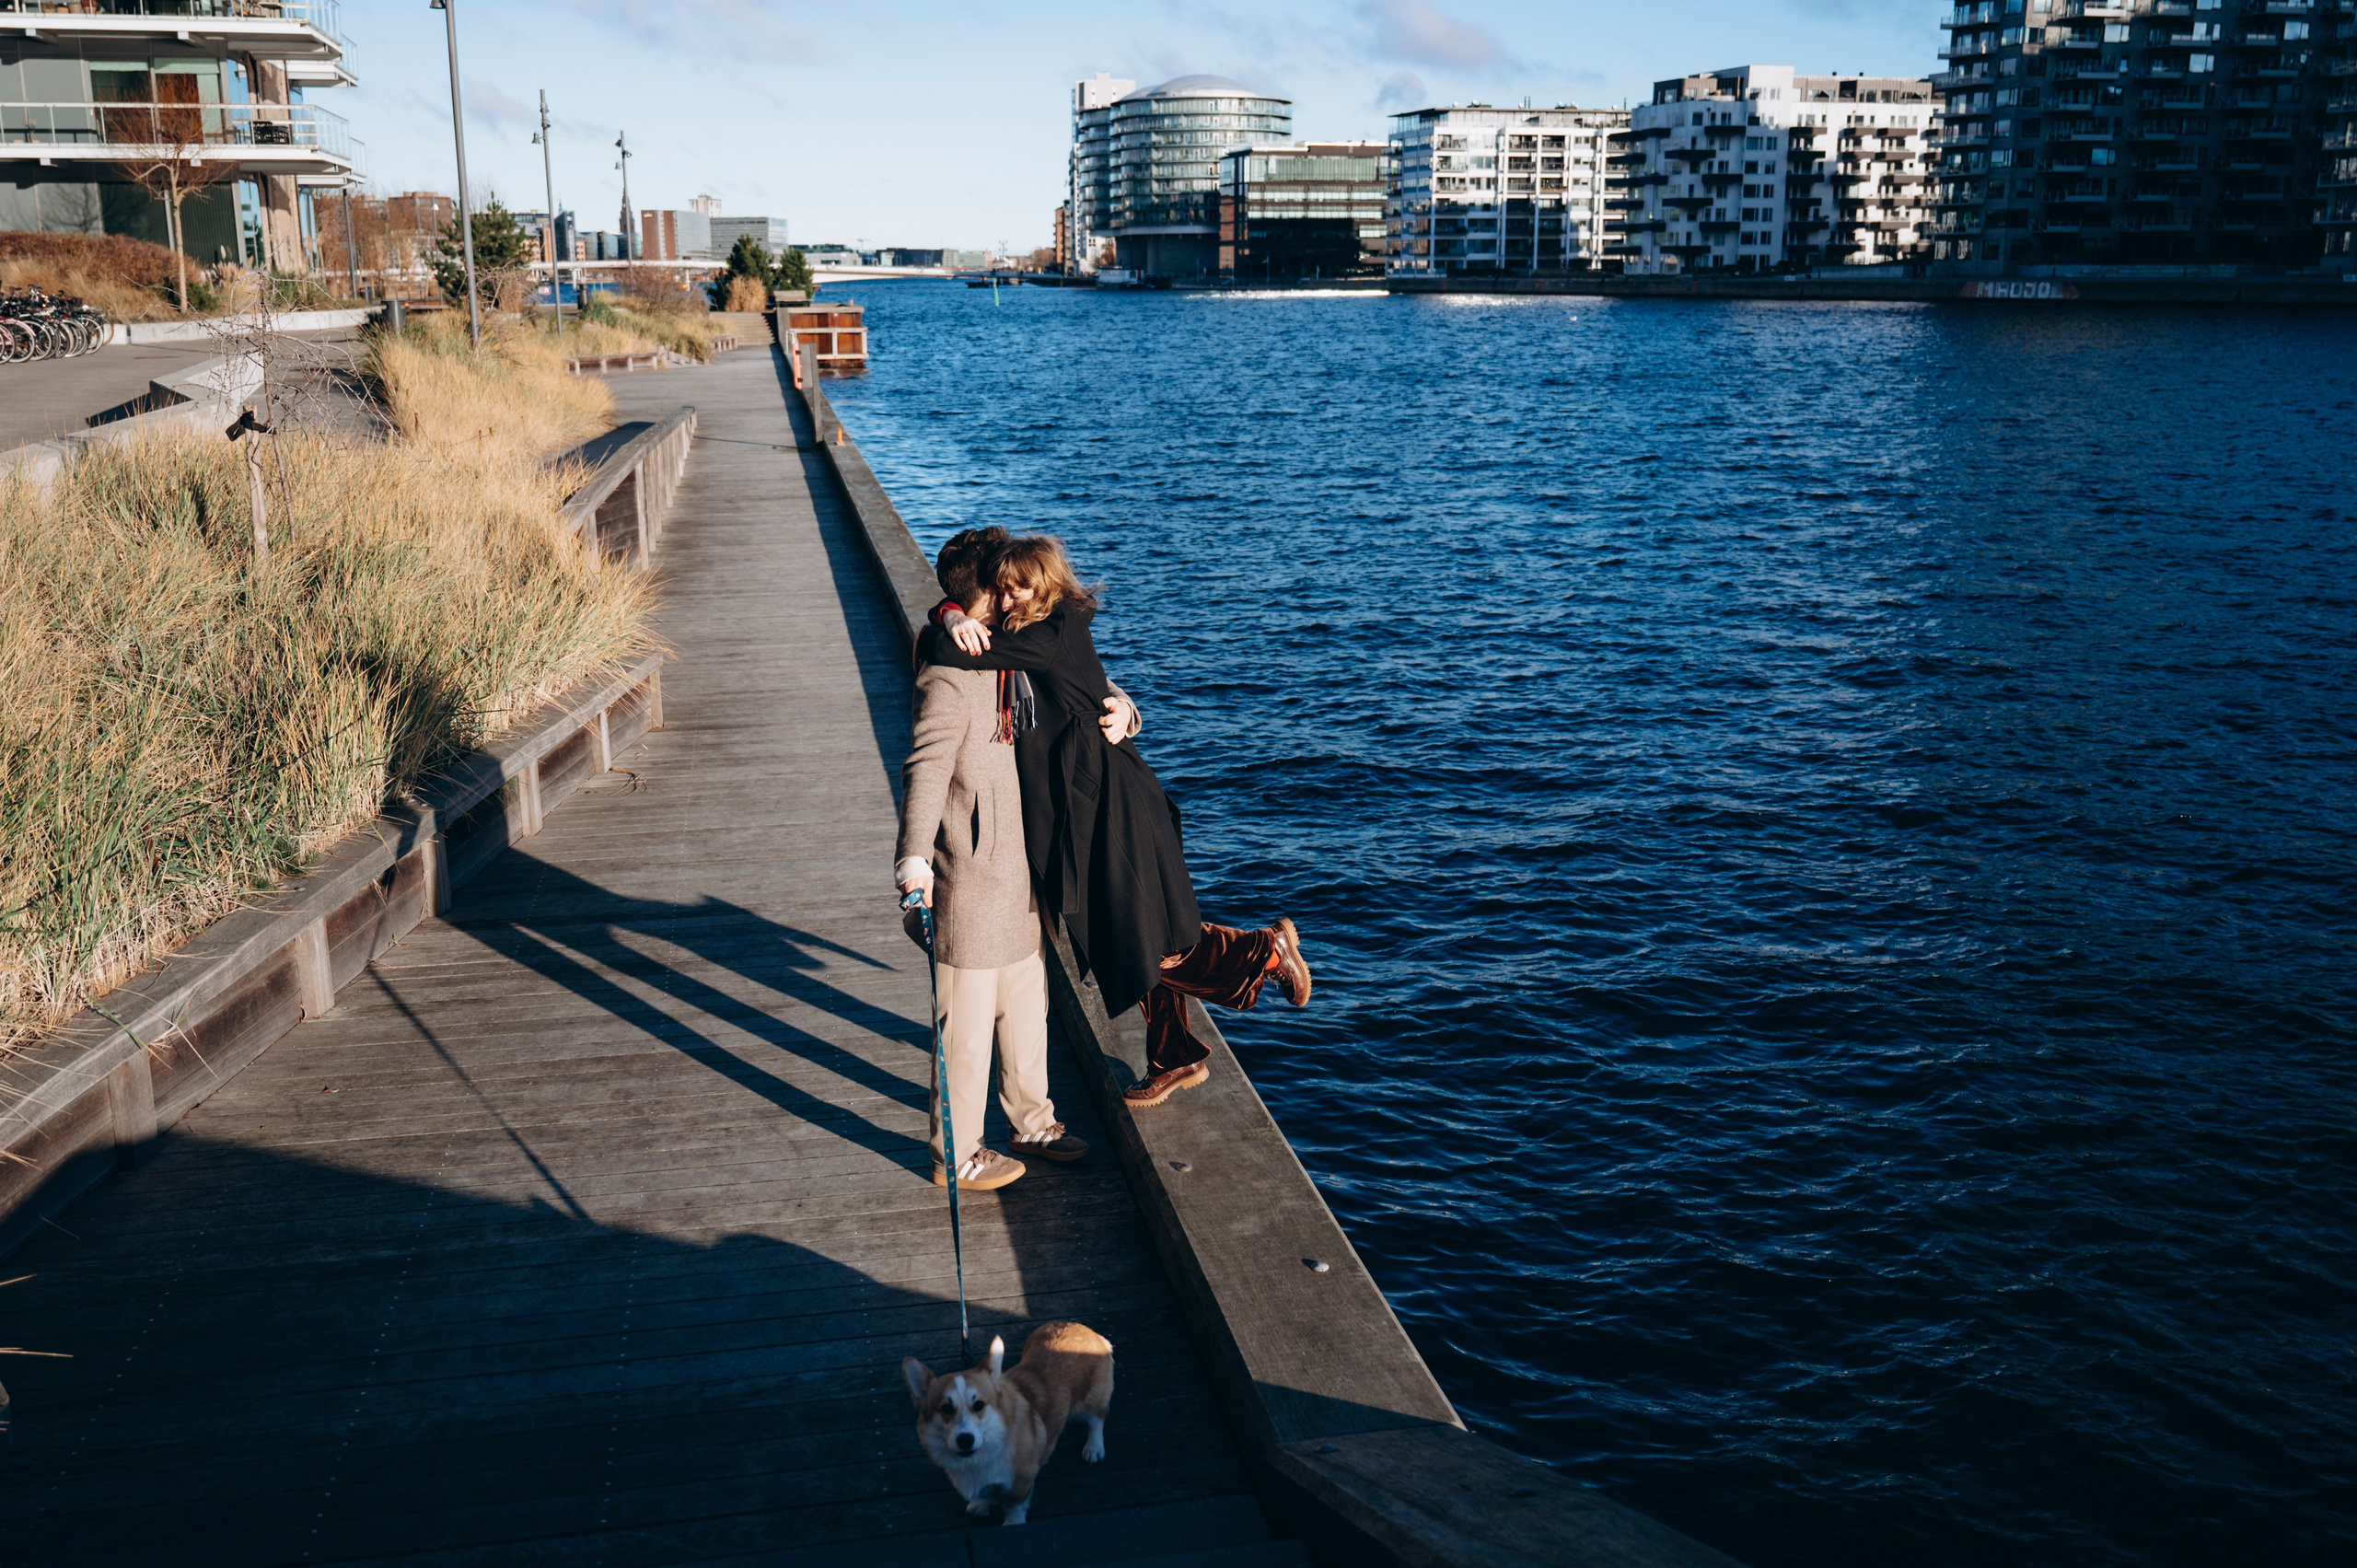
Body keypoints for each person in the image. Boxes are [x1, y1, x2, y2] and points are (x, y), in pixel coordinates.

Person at [921, 536, 1311, 1109]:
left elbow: (950, 651)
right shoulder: (1054, 621)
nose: (1007, 599)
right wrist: (953, 610)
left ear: (1046, 585)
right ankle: (1173, 1055)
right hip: (1097, 796)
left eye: (1018, 587)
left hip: (1106, 805)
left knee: (1140, 939)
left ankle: (1262, 952)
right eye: (1001, 588)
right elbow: (1085, 680)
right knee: (1136, 930)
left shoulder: (1039, 634)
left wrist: (946, 620)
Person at [895, 528, 1138, 1190]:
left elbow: (1082, 678)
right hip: (970, 873)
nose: (1014, 596)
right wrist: (913, 860)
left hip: (1025, 865)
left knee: (1027, 1006)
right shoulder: (949, 669)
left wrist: (1124, 708)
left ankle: (1033, 1121)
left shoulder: (1019, 646)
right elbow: (925, 767)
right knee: (965, 1028)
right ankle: (958, 1153)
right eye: (1001, 588)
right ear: (982, 599)